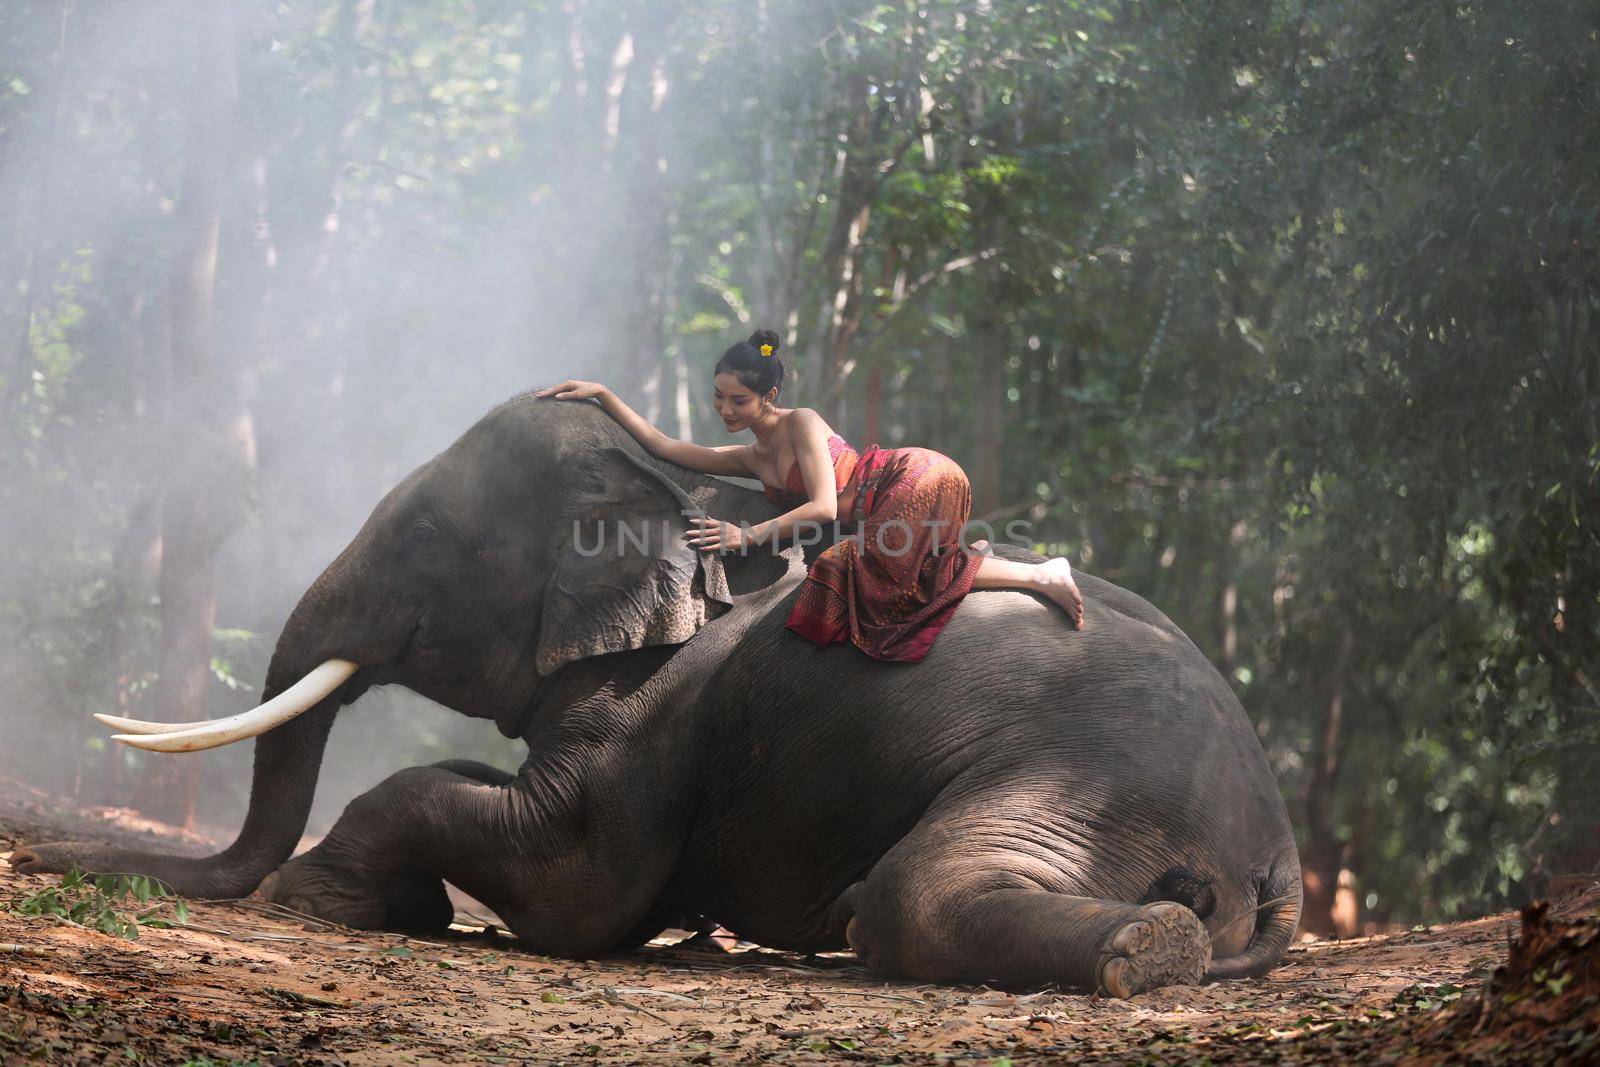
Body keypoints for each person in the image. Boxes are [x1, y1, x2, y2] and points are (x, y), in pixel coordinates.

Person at [533, 328, 1083, 664]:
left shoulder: (802, 423)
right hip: (891, 508)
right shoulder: (750, 458)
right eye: (719, 397)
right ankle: (997, 568)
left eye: (740, 401)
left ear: (768, 396)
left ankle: (1042, 575)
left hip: (916, 476)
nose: (726, 411)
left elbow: (822, 507)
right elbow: (666, 446)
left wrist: (745, 537)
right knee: (886, 569)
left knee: (866, 575)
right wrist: (604, 395)